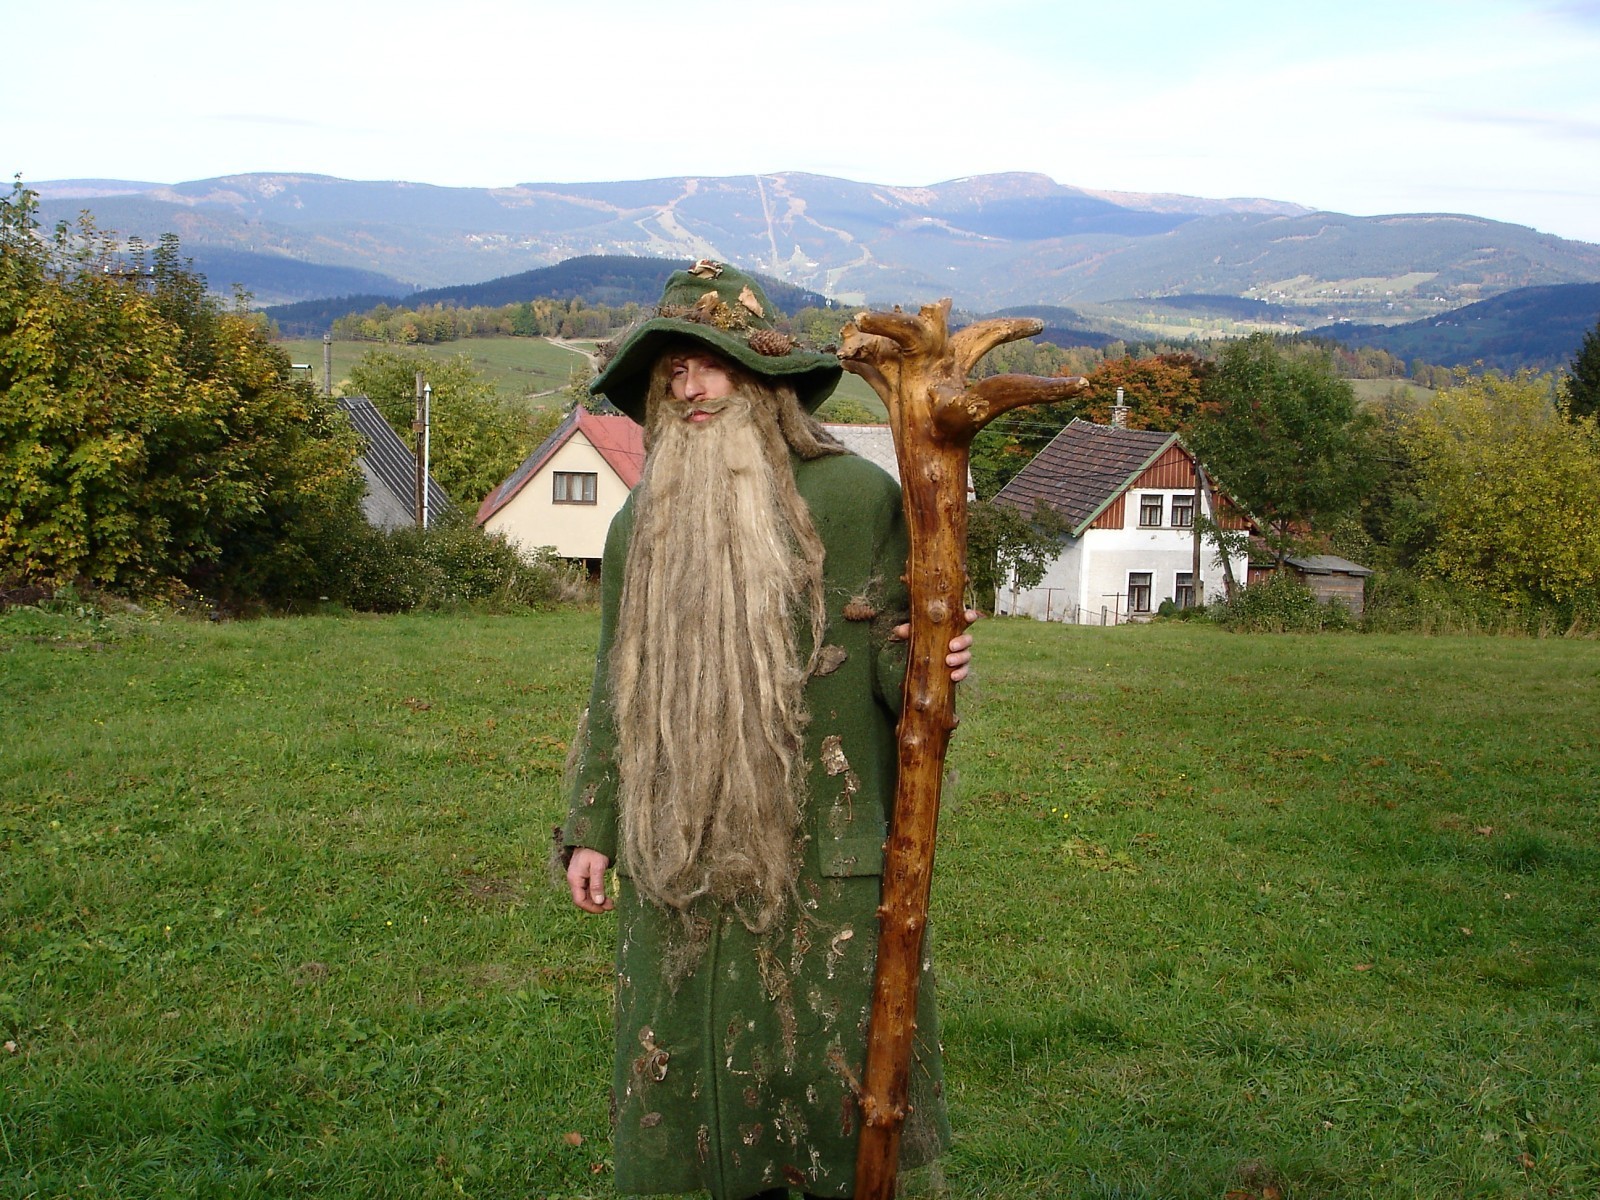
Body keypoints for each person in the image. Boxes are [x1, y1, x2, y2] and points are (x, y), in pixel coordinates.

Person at [561, 261, 972, 1200]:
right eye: (670, 371)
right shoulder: (640, 525)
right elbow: (614, 681)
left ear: (765, 377)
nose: (688, 387)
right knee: (686, 1074)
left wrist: (933, 665)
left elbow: (896, 675)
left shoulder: (857, 500)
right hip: (678, 849)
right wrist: (592, 824)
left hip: (819, 847)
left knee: (820, 1080)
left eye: (710, 364)